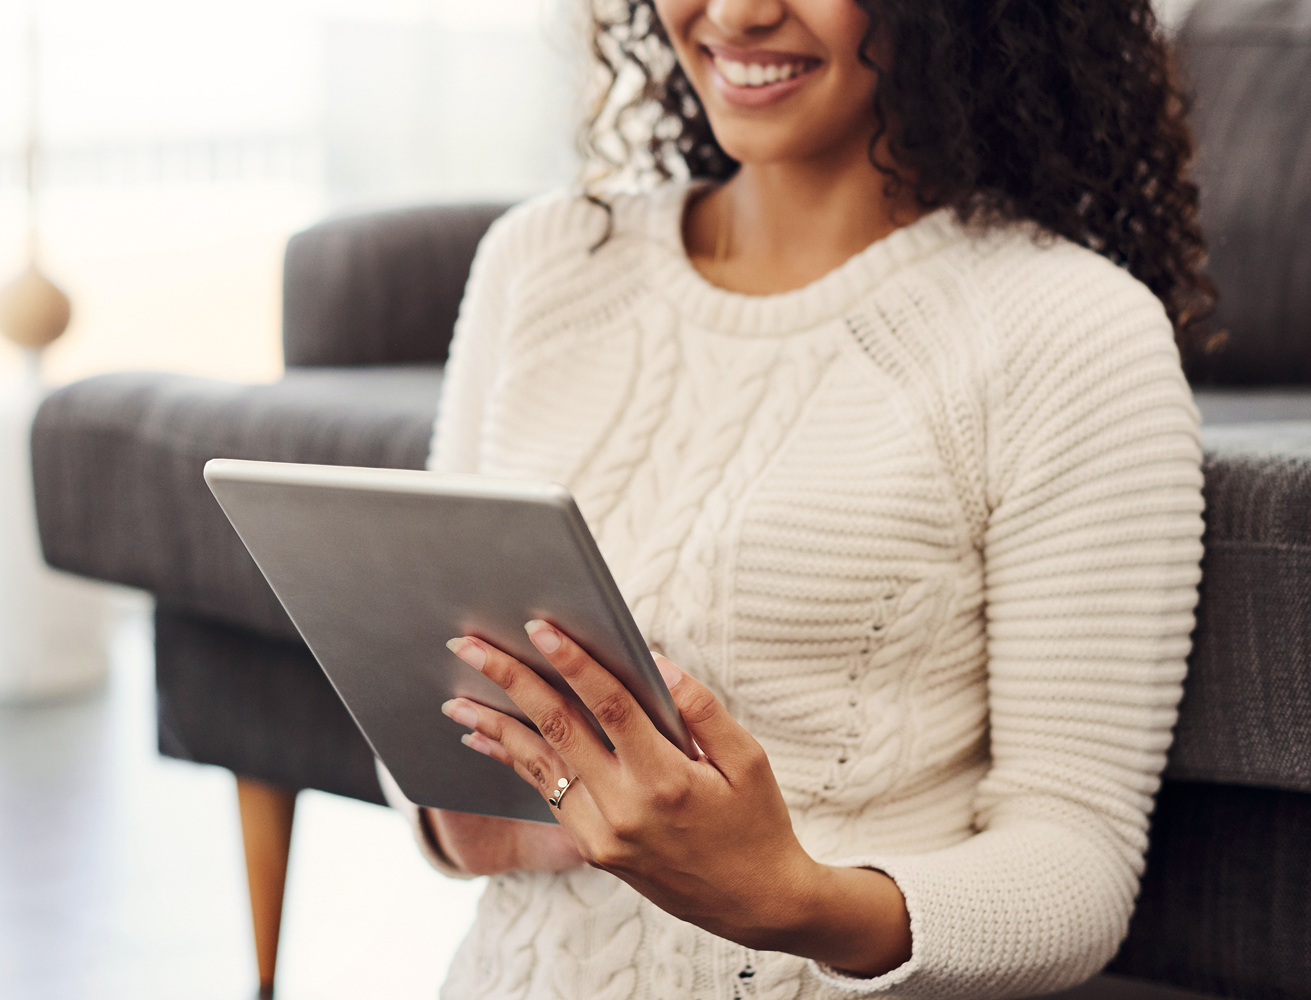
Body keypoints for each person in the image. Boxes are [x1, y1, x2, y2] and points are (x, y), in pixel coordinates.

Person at [377, 0, 1213, 996]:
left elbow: (1078, 870)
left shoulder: (1071, 335)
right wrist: (482, 816)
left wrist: (788, 897)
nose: (737, 13)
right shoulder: (544, 261)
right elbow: (423, 705)